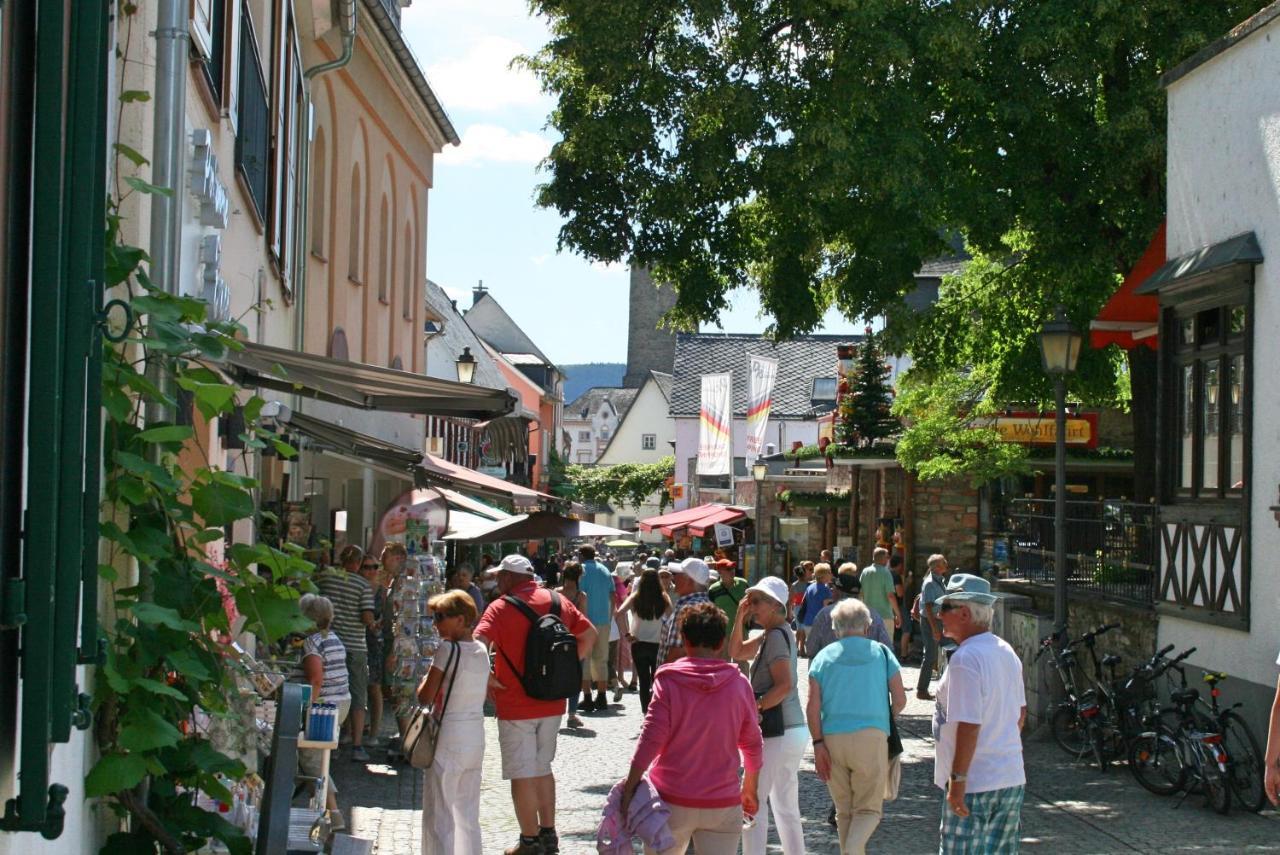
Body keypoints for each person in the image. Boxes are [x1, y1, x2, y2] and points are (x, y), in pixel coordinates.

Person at [474, 554, 596, 855]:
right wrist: (566, 667)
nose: (498, 581)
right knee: (542, 767)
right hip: (552, 702)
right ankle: (548, 833)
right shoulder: (558, 602)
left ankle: (528, 841)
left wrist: (488, 677)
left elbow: (477, 645)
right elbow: (589, 634)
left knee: (521, 773)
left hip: (515, 702)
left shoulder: (500, 608)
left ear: (510, 578)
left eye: (501, 576)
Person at [619, 603, 763, 855]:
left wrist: (630, 785)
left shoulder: (669, 680)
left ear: (684, 640)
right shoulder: (739, 684)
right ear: (721, 643)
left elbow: (652, 737)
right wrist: (750, 787)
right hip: (722, 802)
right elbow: (752, 743)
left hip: (670, 801)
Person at [933, 574, 1026, 854]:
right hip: (1009, 775)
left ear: (964, 613)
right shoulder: (1005, 650)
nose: (939, 615)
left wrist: (958, 781)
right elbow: (1020, 713)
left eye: (945, 608)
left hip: (976, 781)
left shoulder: (966, 659)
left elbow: (970, 725)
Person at [807, 598, 907, 854]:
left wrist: (817, 743)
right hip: (871, 737)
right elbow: (900, 699)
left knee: (844, 811)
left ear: (835, 627)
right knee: (868, 810)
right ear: (867, 626)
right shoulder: (882, 653)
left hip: (831, 739)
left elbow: (812, 706)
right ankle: (851, 851)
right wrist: (883, 718)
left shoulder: (822, 658)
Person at [727, 577, 806, 855]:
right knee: (785, 806)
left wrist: (755, 708)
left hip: (778, 730)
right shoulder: (775, 633)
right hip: (791, 729)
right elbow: (736, 651)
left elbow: (785, 684)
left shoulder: (774, 637)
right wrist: (740, 616)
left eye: (758, 601)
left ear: (776, 605)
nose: (753, 606)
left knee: (753, 801)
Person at [418, 589, 488, 855]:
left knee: (441, 810)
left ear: (460, 619)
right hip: (474, 734)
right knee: (467, 811)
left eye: (441, 617)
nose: (436, 623)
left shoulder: (447, 649)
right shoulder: (481, 649)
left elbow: (425, 696)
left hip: (449, 734)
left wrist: (428, 673)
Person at [292, 594, 351, 831]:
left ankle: (333, 813)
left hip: (325, 706)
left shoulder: (313, 642)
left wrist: (304, 710)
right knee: (314, 756)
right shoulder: (332, 638)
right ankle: (317, 808)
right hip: (340, 702)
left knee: (311, 755)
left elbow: (316, 680)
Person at [316, 545, 376, 762]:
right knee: (358, 694)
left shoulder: (326, 578)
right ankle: (357, 745)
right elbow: (366, 617)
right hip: (355, 645)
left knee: (330, 691)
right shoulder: (362, 585)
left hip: (328, 643)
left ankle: (329, 739)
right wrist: (374, 624)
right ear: (359, 563)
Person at [617, 567, 671, 713]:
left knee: (643, 680)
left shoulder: (635, 597)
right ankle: (656, 710)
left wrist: (627, 634)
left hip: (638, 643)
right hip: (657, 644)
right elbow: (672, 617)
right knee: (657, 680)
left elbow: (619, 613)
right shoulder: (663, 597)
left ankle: (645, 712)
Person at [806, 570, 892, 658]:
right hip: (866, 668)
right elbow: (887, 650)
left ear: (837, 591)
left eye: (833, 588)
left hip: (833, 667)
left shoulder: (824, 614)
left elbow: (811, 649)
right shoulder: (873, 615)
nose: (831, 590)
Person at [577, 545, 617, 714]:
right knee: (601, 659)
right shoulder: (605, 570)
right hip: (603, 620)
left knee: (585, 659)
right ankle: (602, 696)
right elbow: (613, 595)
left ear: (581, 555)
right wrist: (609, 616)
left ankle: (587, 697)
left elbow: (579, 596)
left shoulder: (581, 571)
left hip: (585, 621)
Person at [657, 558, 713, 665]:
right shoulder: (708, 604)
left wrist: (662, 675)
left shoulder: (686, 608)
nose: (674, 577)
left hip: (677, 678)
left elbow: (677, 653)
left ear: (689, 580)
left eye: (678, 574)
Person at [360, 555, 389, 750]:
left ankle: (374, 732)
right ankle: (353, 728)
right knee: (357, 686)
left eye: (374, 567)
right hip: (357, 639)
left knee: (374, 687)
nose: (371, 570)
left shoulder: (382, 592)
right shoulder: (356, 588)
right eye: (366, 567)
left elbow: (387, 617)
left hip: (375, 642)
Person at [556, 560, 589, 729]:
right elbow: (583, 620)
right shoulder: (581, 596)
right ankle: (572, 714)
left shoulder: (556, 593)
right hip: (575, 641)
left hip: (556, 640)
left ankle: (553, 712)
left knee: (556, 675)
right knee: (575, 678)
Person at [918, 554, 952, 701]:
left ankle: (948, 686)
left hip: (937, 621)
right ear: (937, 567)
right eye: (943, 563)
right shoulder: (931, 583)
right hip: (930, 621)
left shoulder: (939, 581)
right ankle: (921, 690)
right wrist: (935, 629)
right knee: (931, 655)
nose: (946, 564)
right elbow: (929, 608)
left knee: (950, 648)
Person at [859, 547, 902, 632]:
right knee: (885, 643)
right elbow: (890, 596)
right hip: (884, 616)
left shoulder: (865, 572)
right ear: (884, 559)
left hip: (868, 615)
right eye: (887, 557)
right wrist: (898, 614)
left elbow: (861, 594)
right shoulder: (886, 573)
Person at [796, 563, 834, 656]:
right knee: (821, 652)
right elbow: (826, 607)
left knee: (812, 651)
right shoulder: (825, 589)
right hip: (819, 624)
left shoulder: (810, 587)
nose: (831, 574)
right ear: (823, 575)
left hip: (808, 622)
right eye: (829, 572)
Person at [707, 559, 749, 638]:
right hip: (723, 636)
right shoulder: (713, 590)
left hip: (742, 633)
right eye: (728, 569)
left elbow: (751, 603)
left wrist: (749, 617)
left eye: (733, 568)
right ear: (719, 572)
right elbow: (710, 613)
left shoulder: (743, 584)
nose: (732, 571)